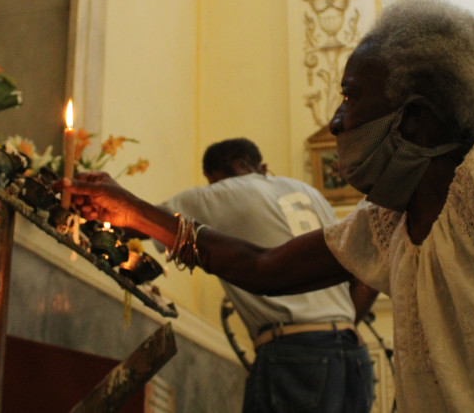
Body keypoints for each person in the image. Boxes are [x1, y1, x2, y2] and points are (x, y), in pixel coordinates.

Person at [65, 0, 474, 412]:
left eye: (349, 98)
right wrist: (136, 212)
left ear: (414, 121)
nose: (335, 122)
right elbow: (262, 269)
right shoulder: (387, 222)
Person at [161, 137, 377, 413]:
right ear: (261, 166)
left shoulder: (215, 194)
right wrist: (336, 325)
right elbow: (365, 276)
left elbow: (143, 221)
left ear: (212, 176)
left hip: (294, 354)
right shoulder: (310, 193)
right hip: (352, 354)